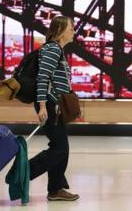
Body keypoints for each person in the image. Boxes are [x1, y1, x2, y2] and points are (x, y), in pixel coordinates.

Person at [29, 15, 80, 201]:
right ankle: (24, 172)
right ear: (59, 31)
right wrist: (42, 106)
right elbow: (42, 78)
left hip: (55, 106)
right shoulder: (52, 49)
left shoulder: (56, 49)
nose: (73, 31)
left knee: (60, 147)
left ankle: (56, 189)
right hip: (50, 105)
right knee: (60, 149)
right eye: (71, 28)